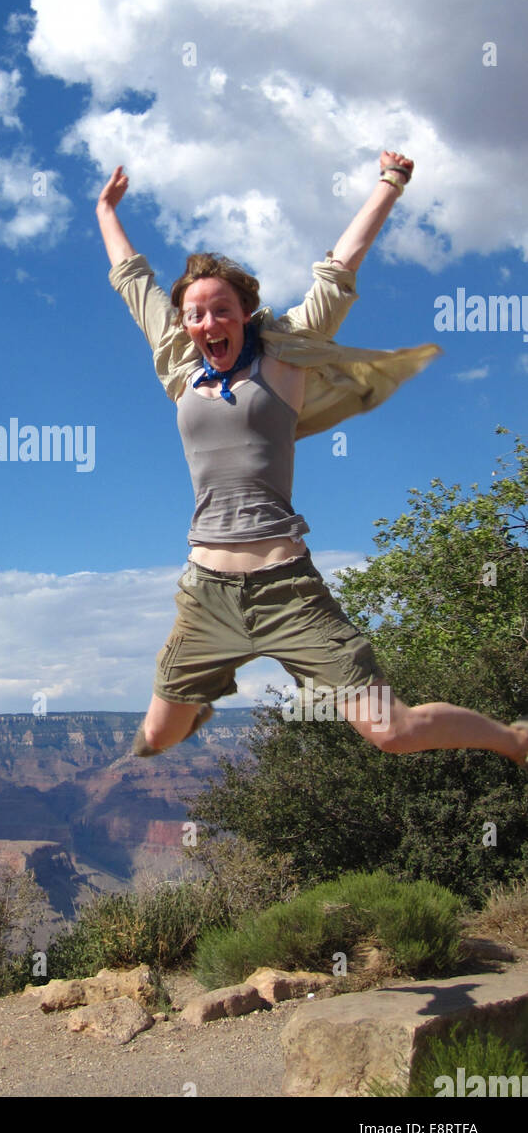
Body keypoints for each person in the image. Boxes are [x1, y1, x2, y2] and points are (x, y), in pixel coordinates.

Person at [97, 156, 528, 768]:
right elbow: (132, 280)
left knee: (391, 730)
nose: (206, 322)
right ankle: (208, 689)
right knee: (158, 738)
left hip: (287, 588)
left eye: (220, 309)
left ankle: (513, 739)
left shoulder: (287, 357)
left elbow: (341, 267)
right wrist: (105, 212)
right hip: (207, 592)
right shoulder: (180, 365)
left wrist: (390, 183)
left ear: (245, 312)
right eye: (194, 314)